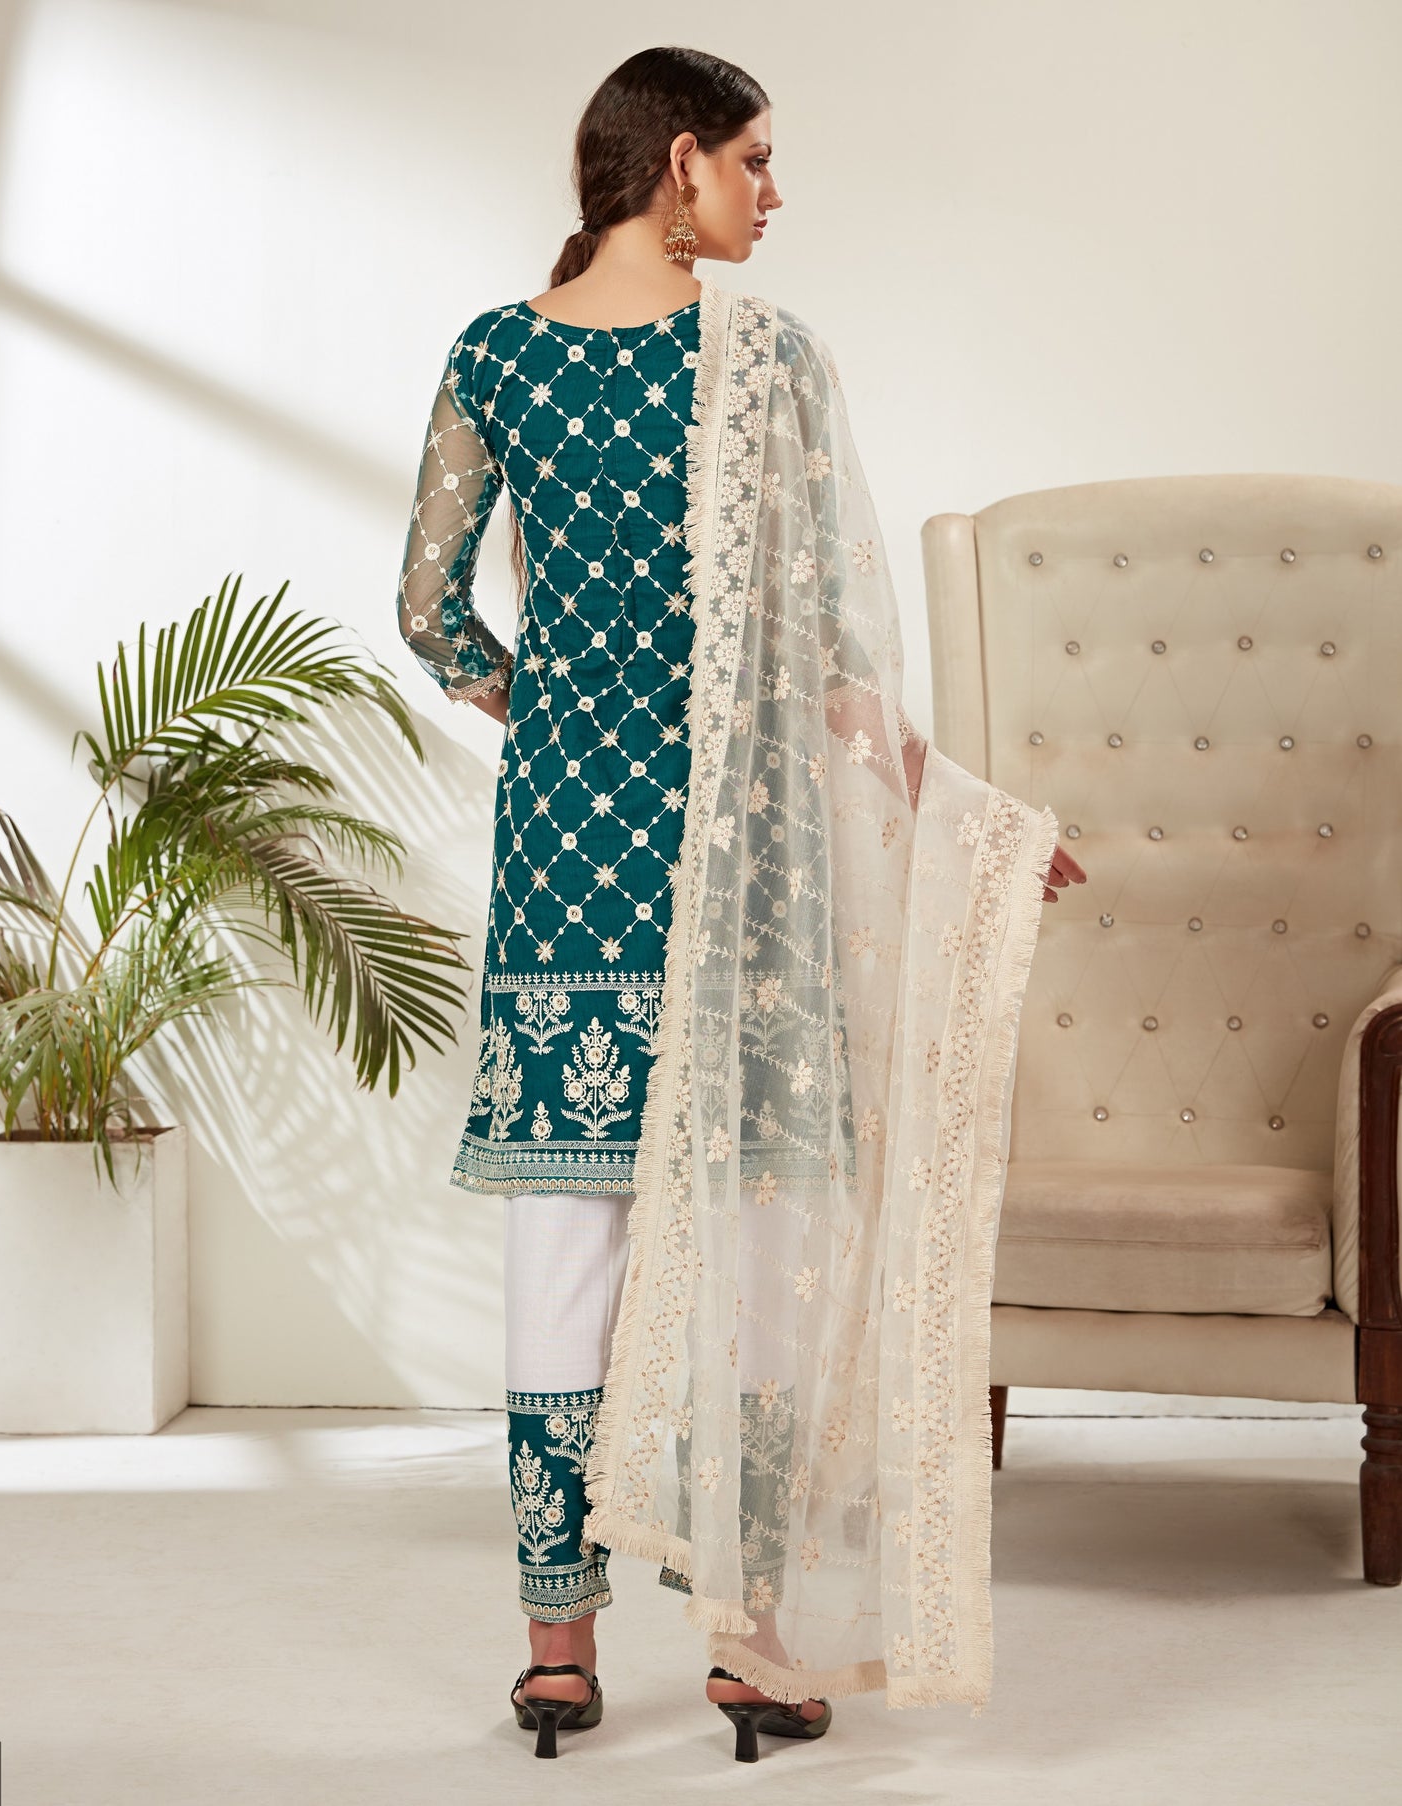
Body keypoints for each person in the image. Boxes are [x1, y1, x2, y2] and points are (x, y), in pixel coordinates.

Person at [396, 46, 1085, 1762]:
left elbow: (427, 611)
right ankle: (747, 1636)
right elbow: (842, 671)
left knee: (565, 1257)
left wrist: (544, 704)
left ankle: (556, 1651)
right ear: (679, 163)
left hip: (567, 856)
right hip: (741, 861)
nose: (776, 195)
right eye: (760, 163)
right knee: (758, 1254)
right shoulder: (763, 358)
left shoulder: (494, 354)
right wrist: (954, 815)